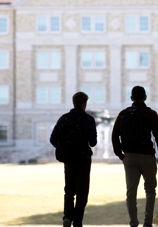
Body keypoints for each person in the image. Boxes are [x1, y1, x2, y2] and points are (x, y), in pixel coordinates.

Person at [111, 86, 158, 227]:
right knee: (150, 190)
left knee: (131, 192)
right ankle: (147, 222)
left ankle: (133, 222)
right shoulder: (151, 114)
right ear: (145, 97)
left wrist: (120, 155)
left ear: (131, 98)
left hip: (129, 156)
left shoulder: (123, 114)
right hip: (147, 156)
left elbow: (114, 136)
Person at [50, 92, 97, 227]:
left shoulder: (64, 118)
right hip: (83, 159)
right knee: (82, 192)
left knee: (69, 191)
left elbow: (53, 139)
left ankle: (67, 217)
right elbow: (93, 142)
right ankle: (77, 221)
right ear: (84, 104)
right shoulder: (88, 119)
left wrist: (64, 149)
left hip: (68, 160)